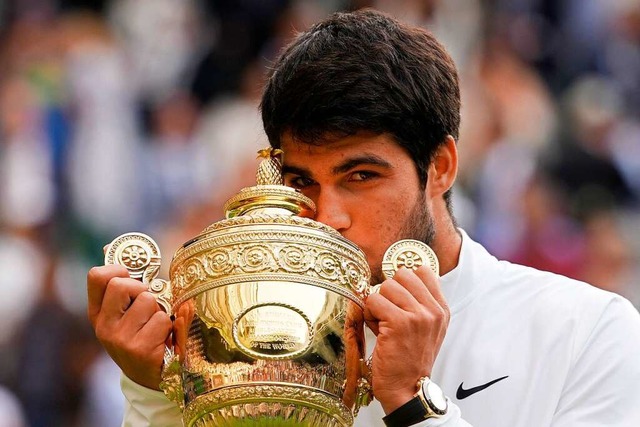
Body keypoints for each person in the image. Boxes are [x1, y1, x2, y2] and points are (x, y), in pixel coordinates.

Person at [87, 9, 640, 427]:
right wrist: (158, 386)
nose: (328, 216)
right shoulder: (247, 337)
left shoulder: (587, 331)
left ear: (441, 167)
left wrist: (413, 403)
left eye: (360, 177)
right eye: (302, 181)